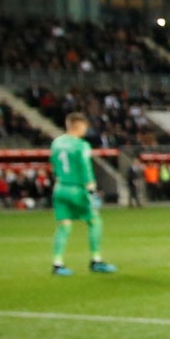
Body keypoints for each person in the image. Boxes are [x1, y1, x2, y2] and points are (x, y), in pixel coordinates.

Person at [49, 113, 116, 275]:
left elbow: (53, 164)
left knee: (64, 225)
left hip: (60, 188)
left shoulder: (57, 143)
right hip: (76, 189)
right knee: (95, 221)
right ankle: (96, 260)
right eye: (85, 127)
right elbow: (86, 169)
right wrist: (92, 190)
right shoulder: (81, 145)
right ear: (78, 126)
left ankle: (57, 264)